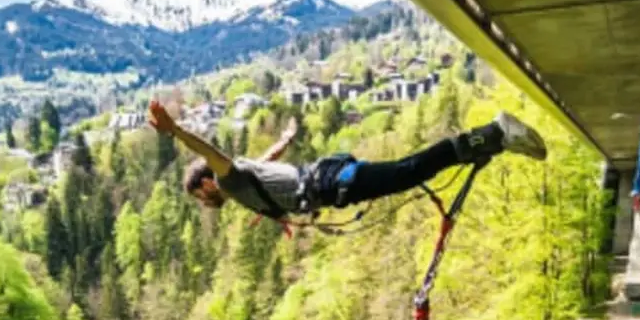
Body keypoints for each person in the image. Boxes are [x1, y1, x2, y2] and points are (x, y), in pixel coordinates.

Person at [147, 100, 547, 224]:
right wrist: (284, 143)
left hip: (334, 183)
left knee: (410, 171)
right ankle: (487, 143)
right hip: (330, 178)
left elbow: (211, 155)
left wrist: (175, 131)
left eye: (200, 196)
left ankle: (492, 134)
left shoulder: (229, 182)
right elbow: (266, 162)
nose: (205, 202)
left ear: (205, 185)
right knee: (408, 173)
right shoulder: (242, 186)